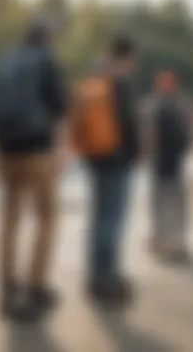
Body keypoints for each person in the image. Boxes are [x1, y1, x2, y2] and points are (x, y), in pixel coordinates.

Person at [0, 16, 68, 322]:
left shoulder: (4, 61)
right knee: (47, 217)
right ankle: (35, 287)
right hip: (36, 150)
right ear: (47, 37)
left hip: (6, 151)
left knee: (9, 218)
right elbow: (60, 105)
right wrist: (59, 150)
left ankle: (7, 286)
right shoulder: (47, 60)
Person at [72, 36, 139, 307]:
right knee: (112, 221)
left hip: (95, 160)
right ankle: (108, 278)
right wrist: (133, 156)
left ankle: (94, 276)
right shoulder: (118, 82)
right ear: (127, 57)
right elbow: (128, 123)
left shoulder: (91, 80)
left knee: (98, 219)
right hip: (117, 162)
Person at [148, 71, 191, 263]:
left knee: (160, 203)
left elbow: (151, 134)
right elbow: (187, 135)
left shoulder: (155, 107)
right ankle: (176, 242)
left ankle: (161, 240)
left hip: (160, 162)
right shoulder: (179, 107)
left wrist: (146, 155)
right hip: (174, 162)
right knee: (175, 203)